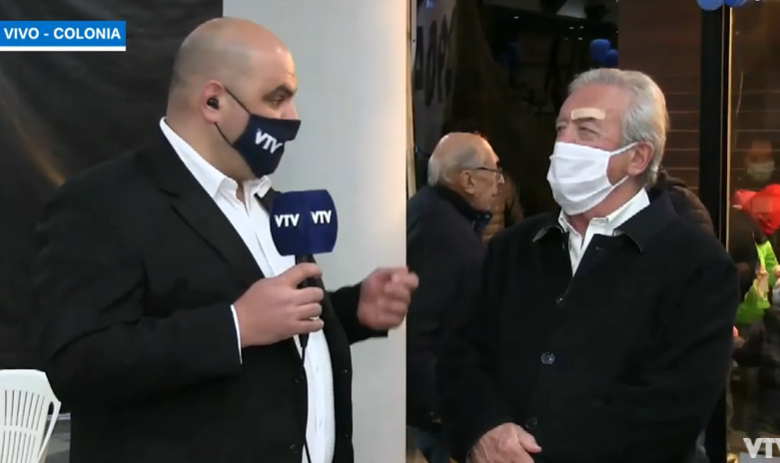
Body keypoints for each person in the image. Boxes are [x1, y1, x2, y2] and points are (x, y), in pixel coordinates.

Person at [33, 18, 418, 463]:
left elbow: (277, 330)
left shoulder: (268, 201)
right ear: (213, 101)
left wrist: (351, 311)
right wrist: (234, 326)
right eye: (276, 98)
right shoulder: (103, 202)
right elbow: (78, 363)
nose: (292, 117)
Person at [436, 69, 740, 463]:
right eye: (561, 128)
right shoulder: (513, 248)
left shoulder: (698, 266)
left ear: (638, 157)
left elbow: (671, 410)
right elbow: (461, 356)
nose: (563, 144)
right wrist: (484, 430)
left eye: (586, 131)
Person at [406, 132, 501, 463]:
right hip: (436, 410)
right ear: (468, 180)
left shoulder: (433, 212)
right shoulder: (443, 231)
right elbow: (420, 321)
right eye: (494, 172)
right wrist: (435, 407)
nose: (499, 184)